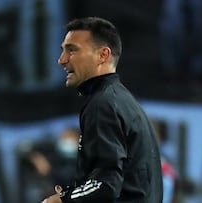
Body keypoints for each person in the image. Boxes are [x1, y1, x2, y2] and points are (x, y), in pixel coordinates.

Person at [41, 16, 163, 203]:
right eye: (63, 51)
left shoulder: (102, 104)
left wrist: (61, 199)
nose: (61, 60)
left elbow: (106, 184)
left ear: (102, 55)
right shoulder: (120, 99)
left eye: (72, 50)